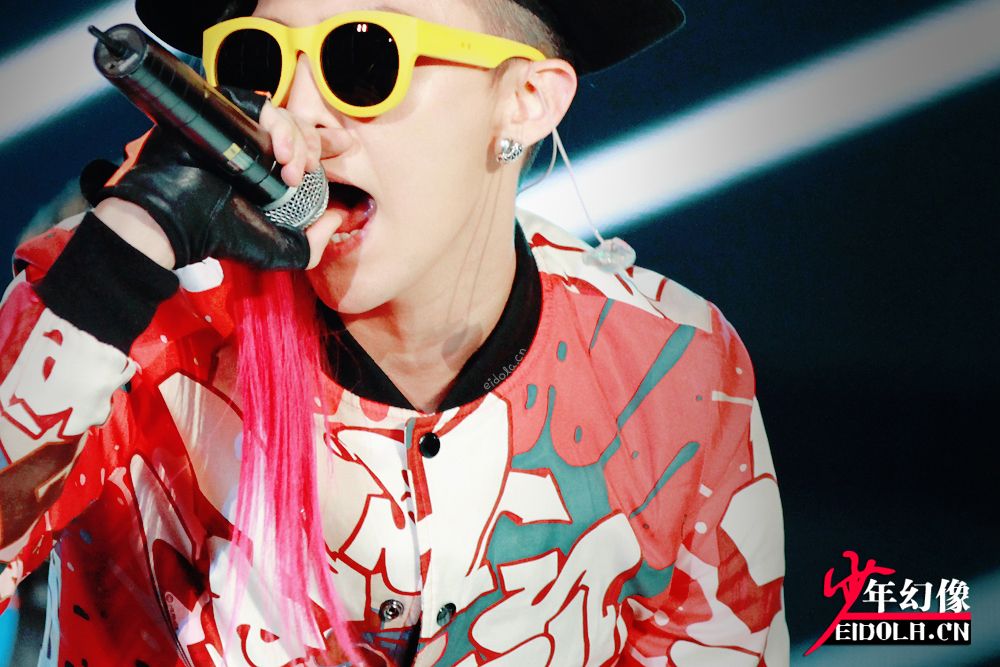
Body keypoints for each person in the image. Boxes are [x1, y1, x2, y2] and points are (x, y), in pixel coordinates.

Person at [0, 0, 789, 664]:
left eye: (362, 58)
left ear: (527, 100)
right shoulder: (123, 315)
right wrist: (125, 249)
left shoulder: (674, 368)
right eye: (259, 61)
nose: (300, 111)